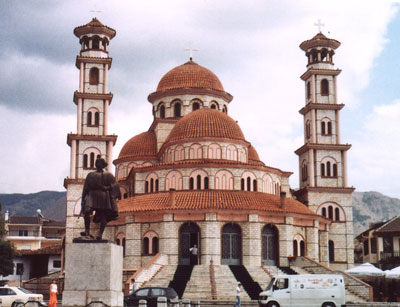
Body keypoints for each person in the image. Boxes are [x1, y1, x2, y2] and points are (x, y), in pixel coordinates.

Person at [80, 158, 120, 240]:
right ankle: (87, 231)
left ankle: (100, 234)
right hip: (92, 194)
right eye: (96, 162)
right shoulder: (90, 175)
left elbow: (115, 185)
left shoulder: (108, 175)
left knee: (103, 215)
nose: (97, 164)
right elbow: (85, 188)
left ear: (103, 165)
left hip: (103, 196)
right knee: (87, 211)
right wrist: (83, 200)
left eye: (99, 163)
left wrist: (107, 187)